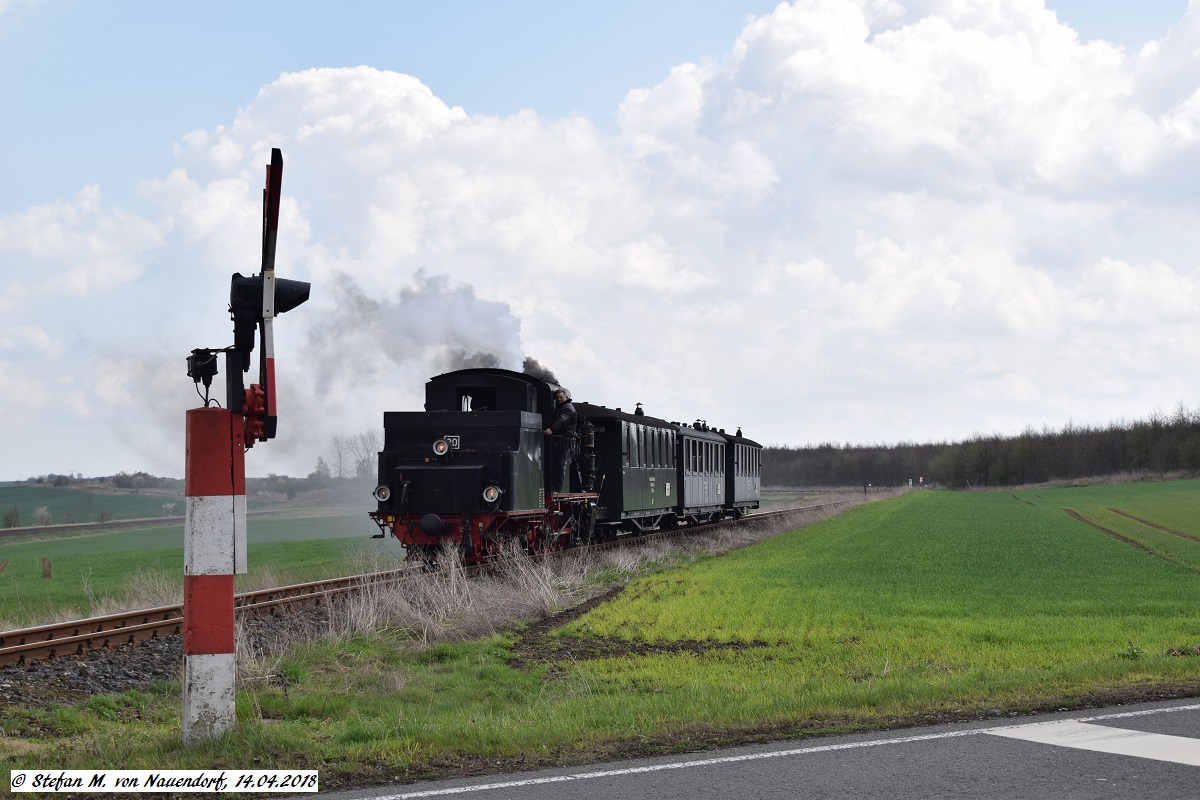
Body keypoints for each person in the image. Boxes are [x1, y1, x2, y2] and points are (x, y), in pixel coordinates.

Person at [543, 388, 577, 493]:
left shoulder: (567, 408)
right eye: (557, 398)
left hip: (564, 438)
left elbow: (562, 420)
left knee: (559, 462)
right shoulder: (562, 407)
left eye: (561, 397)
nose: (559, 399)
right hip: (560, 437)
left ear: (566, 397)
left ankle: (557, 488)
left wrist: (551, 429)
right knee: (556, 461)